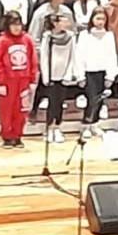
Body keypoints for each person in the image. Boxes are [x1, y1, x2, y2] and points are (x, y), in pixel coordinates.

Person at [0, 13, 38, 148]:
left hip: (23, 80)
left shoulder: (27, 39)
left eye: (18, 24)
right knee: (6, 110)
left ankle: (18, 135)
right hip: (8, 81)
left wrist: (32, 79)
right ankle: (7, 136)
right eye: (13, 25)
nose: (17, 28)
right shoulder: (2, 41)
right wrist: (0, 82)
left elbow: (33, 59)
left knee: (22, 109)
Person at [76, 9, 118, 139]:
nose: (100, 22)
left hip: (103, 71)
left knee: (100, 99)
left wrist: (110, 75)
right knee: (91, 99)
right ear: (92, 19)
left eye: (103, 19)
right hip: (89, 72)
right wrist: (80, 75)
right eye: (98, 19)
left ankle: (95, 124)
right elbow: (79, 55)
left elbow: (112, 56)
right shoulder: (84, 35)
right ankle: (86, 125)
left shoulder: (109, 35)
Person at [39, 13, 81, 143]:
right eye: (63, 21)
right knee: (51, 103)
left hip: (64, 75)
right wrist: (46, 75)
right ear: (55, 23)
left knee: (60, 102)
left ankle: (57, 126)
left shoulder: (71, 36)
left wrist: (69, 73)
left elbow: (73, 55)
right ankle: (49, 128)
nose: (66, 23)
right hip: (52, 75)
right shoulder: (48, 37)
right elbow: (44, 56)